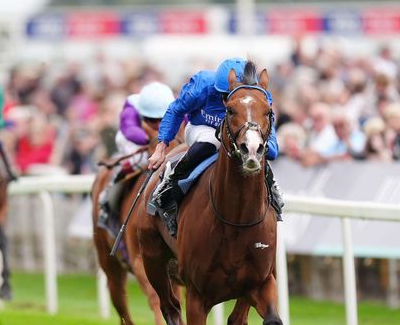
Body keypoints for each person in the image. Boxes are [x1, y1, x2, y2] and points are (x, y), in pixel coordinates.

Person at [147, 58, 281, 236]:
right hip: (203, 128)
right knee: (212, 143)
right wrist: (161, 147)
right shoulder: (202, 84)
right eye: (225, 96)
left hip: (241, 132)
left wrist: (269, 146)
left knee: (256, 149)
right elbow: (176, 110)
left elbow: (267, 128)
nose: (227, 101)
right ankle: (170, 183)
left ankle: (273, 193)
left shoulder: (259, 94)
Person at [97, 82, 174, 228]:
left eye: (162, 119)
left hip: (160, 142)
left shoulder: (173, 104)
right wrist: (152, 141)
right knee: (137, 161)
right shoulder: (131, 107)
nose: (158, 124)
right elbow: (130, 129)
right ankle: (107, 198)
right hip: (134, 141)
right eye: (152, 119)